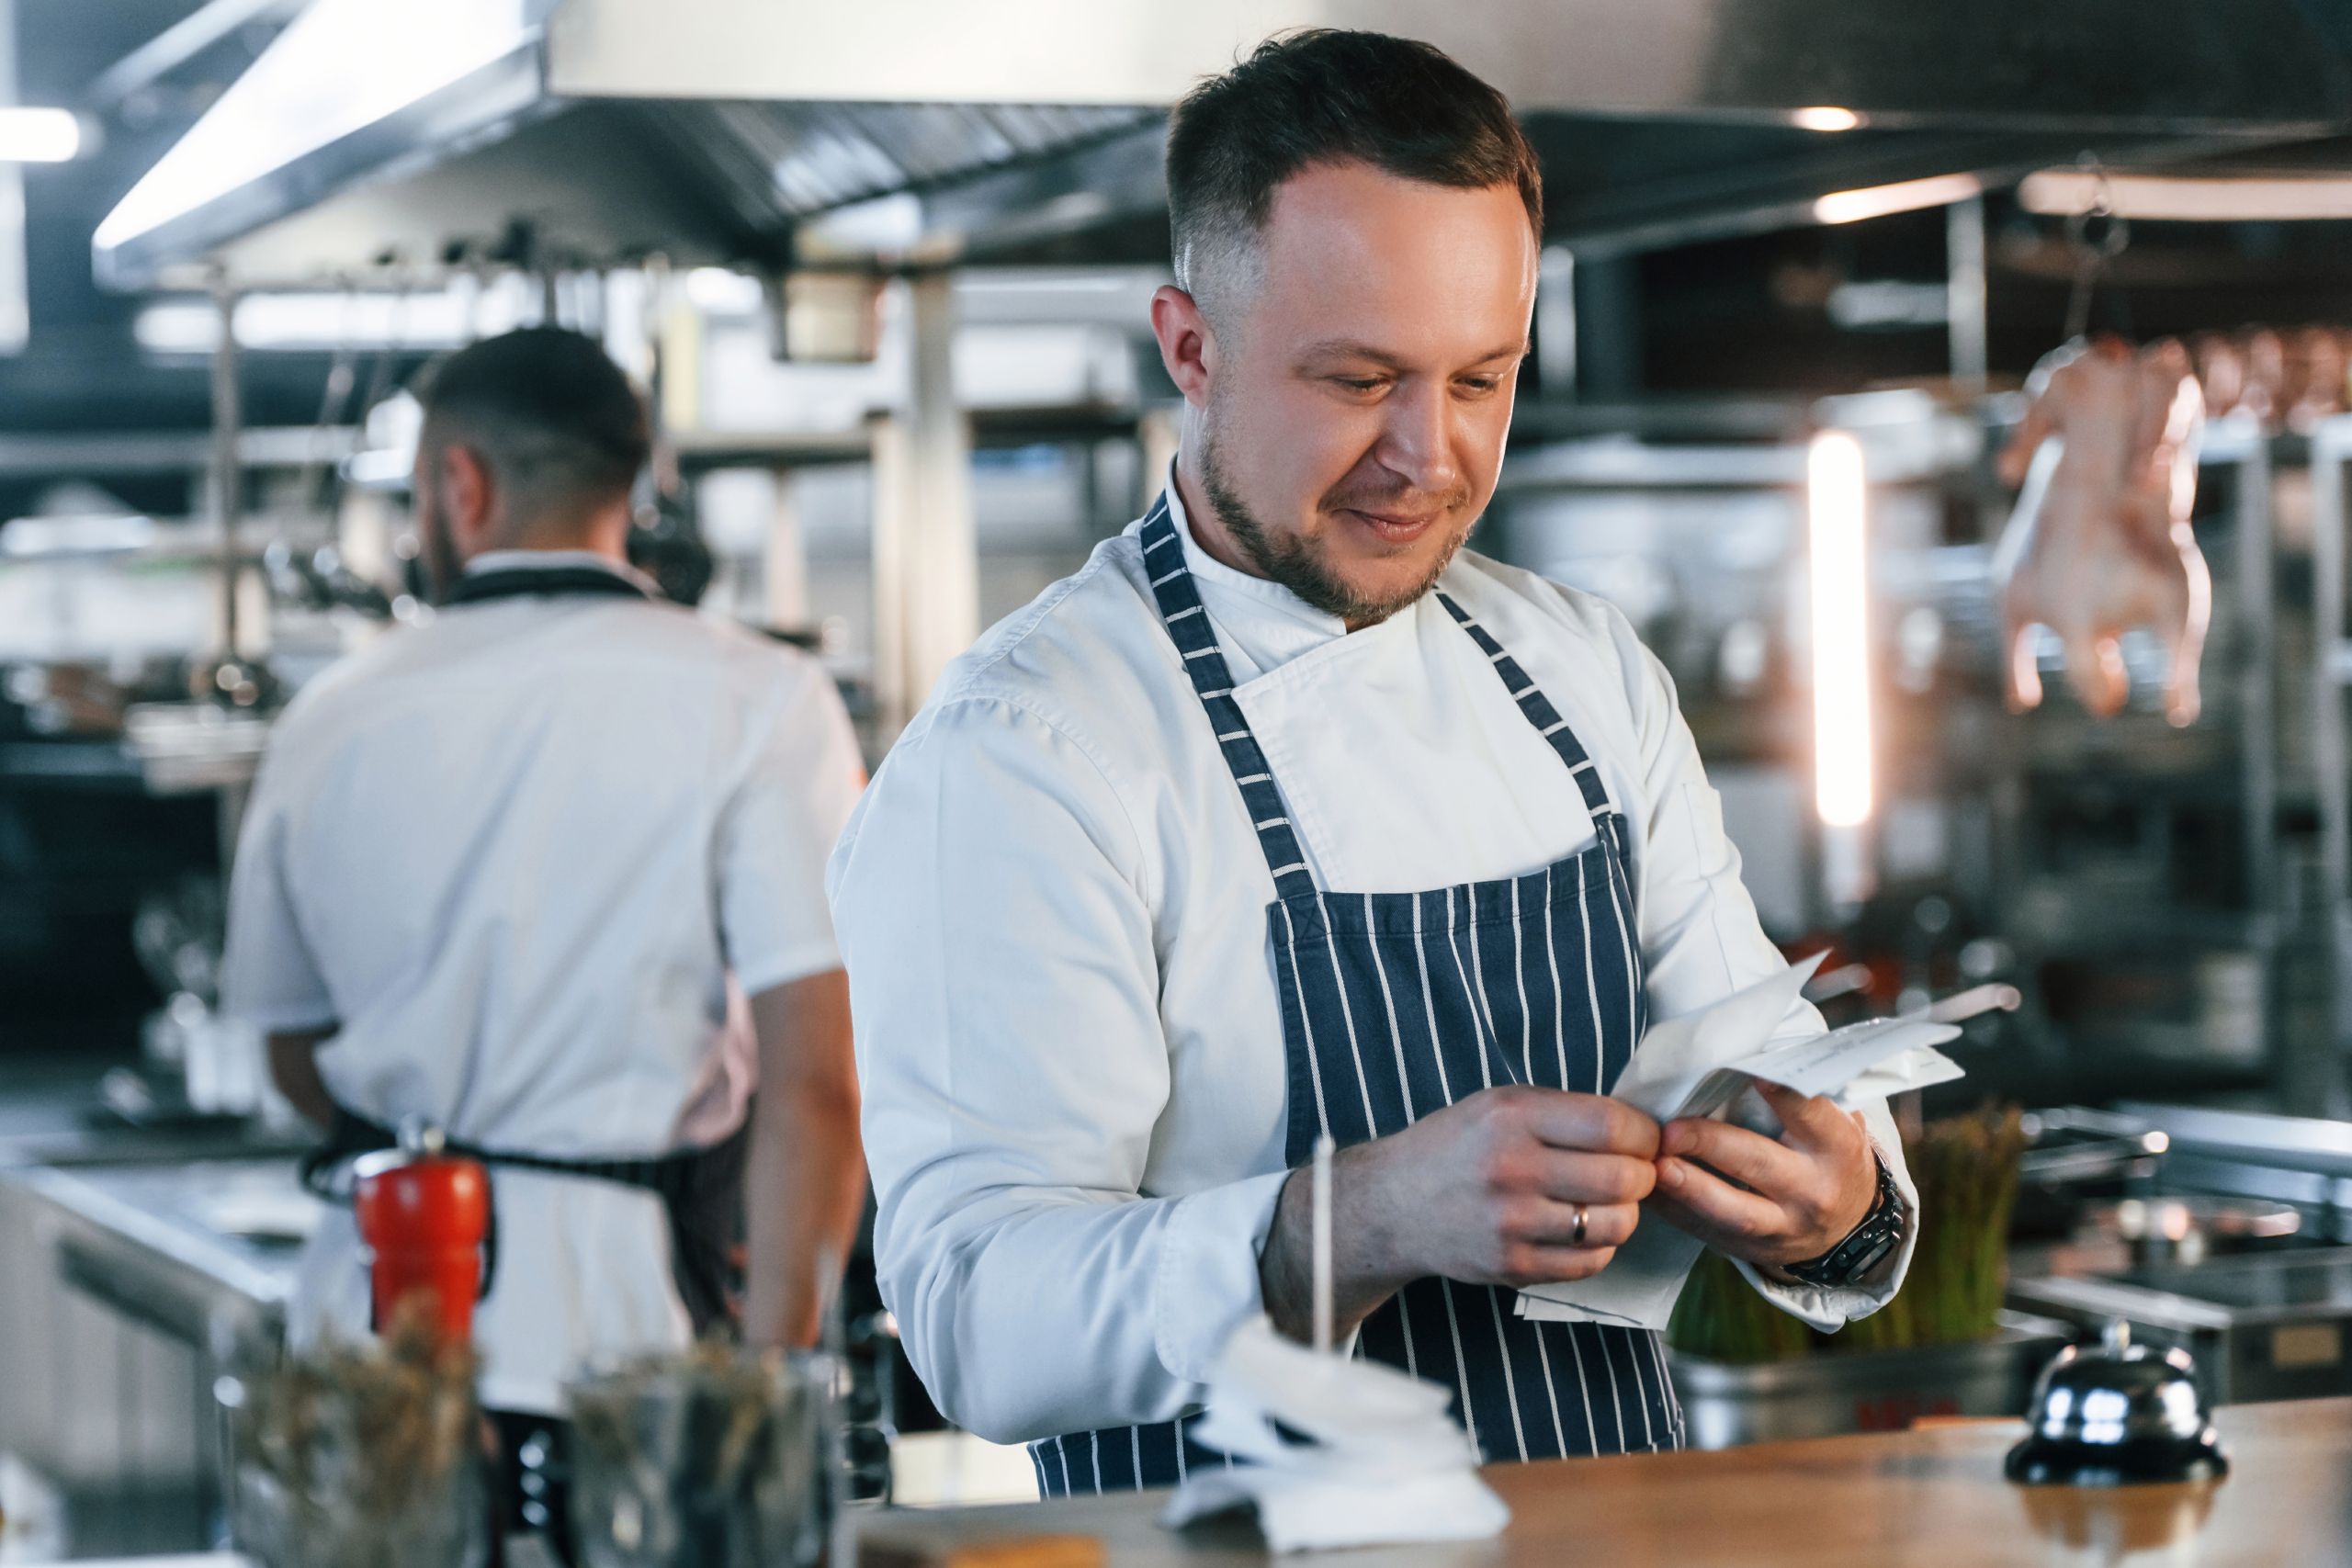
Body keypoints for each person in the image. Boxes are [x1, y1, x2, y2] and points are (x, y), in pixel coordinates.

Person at [829, 30, 1918, 1496]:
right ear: (1190, 346)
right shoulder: (1032, 751)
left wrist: (1833, 1192)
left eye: (1483, 378)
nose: (1431, 455)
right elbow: (975, 1318)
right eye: (1358, 380)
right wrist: (1357, 1223)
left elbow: (1786, 1081)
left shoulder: (1578, 670)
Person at [221, 327, 867, 1552]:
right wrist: (767, 1393)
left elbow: (295, 1059)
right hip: (629, 1360)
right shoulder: (761, 697)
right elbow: (820, 1087)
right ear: (635, 482)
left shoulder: (331, 715)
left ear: (457, 487)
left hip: (364, 1350)